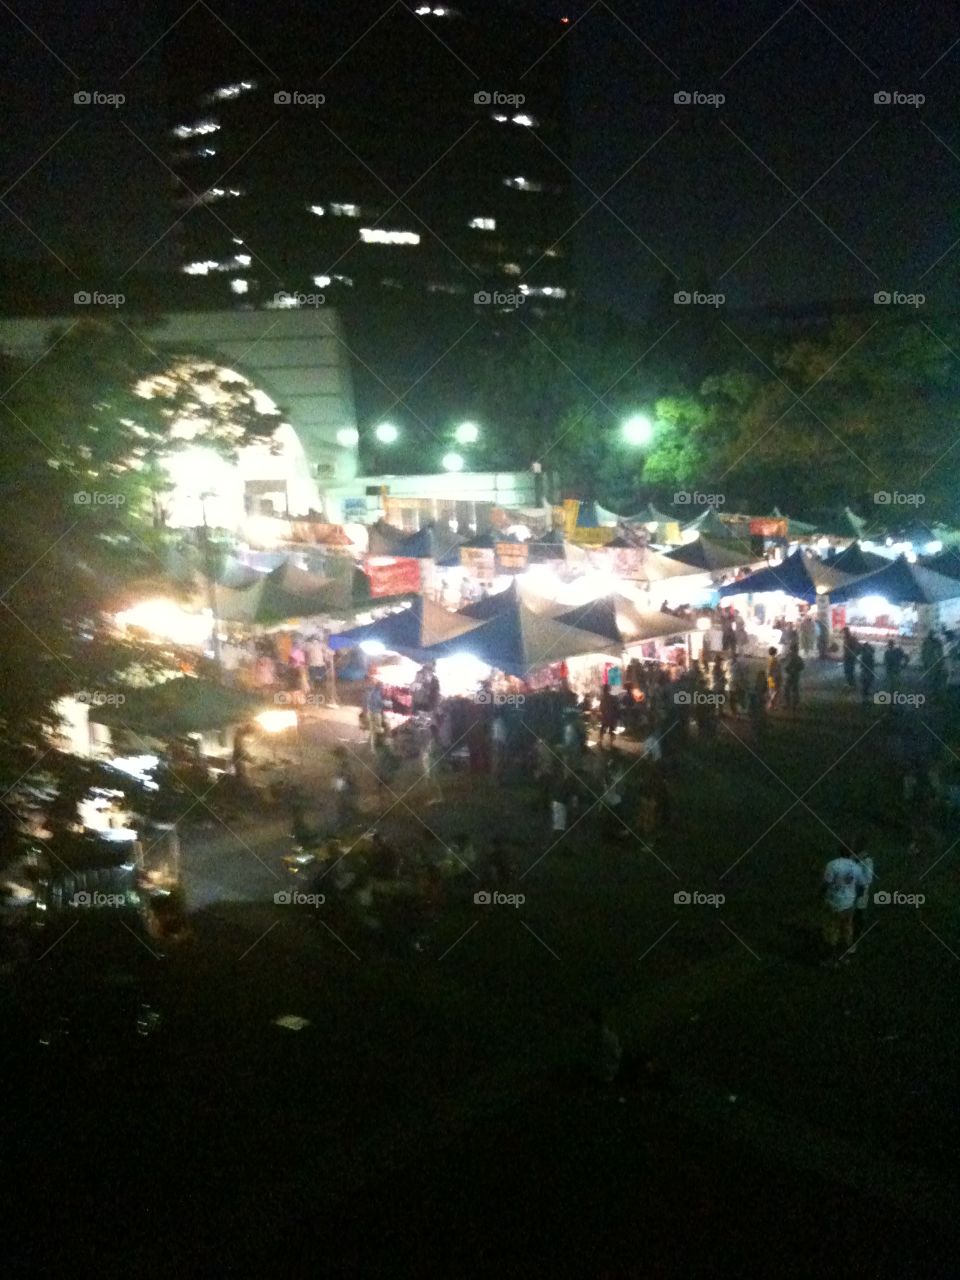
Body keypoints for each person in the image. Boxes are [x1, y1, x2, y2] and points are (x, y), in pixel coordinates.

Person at [821, 847, 868, 966]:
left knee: (832, 930)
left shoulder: (832, 864)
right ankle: (845, 958)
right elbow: (862, 887)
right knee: (847, 929)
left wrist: (820, 896)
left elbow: (826, 883)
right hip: (848, 905)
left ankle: (831, 959)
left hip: (833, 903)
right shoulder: (856, 867)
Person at [583, 1008, 623, 1086]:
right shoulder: (611, 1037)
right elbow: (617, 1055)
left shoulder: (593, 1038)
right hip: (608, 1075)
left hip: (598, 1075)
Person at [850, 836, 874, 951]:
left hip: (859, 896)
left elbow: (868, 879)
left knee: (857, 919)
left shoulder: (867, 860)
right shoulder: (853, 857)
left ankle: (853, 943)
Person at [783, 642, 805, 711]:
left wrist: (788, 670)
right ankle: (795, 704)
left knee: (787, 689)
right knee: (795, 690)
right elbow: (802, 666)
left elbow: (786, 665)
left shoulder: (789, 656)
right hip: (795, 675)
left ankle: (787, 703)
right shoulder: (798, 658)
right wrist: (796, 669)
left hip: (789, 675)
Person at [858, 641, 876, 706]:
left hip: (865, 672)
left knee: (865, 687)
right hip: (869, 672)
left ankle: (864, 700)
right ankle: (866, 700)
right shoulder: (869, 653)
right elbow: (872, 664)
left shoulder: (865, 654)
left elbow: (862, 665)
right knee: (867, 686)